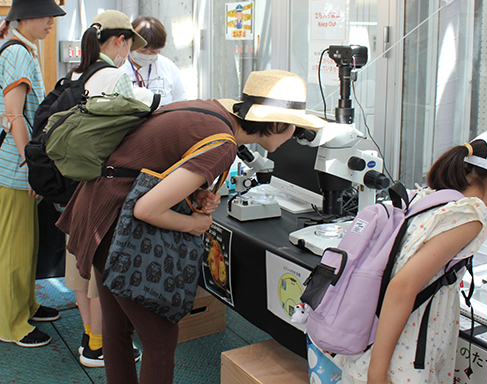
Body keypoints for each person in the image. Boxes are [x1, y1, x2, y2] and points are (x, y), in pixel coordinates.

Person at [56, 69, 326, 383]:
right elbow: (146, 209)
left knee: (117, 330)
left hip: (98, 209)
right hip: (118, 224)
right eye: (295, 126)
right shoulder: (223, 145)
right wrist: (193, 223)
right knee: (159, 341)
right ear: (277, 123)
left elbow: (151, 161)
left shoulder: (211, 112)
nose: (295, 135)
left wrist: (195, 191)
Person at [336, 128, 487, 384]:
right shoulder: (471, 215)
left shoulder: (431, 197)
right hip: (399, 360)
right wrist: (377, 375)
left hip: (369, 340)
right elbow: (403, 287)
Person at [62, 9, 146, 367]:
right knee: (99, 271)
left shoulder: (77, 72)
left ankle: (87, 336)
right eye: (129, 44)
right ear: (120, 40)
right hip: (106, 184)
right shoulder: (114, 76)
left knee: (77, 263)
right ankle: (97, 347)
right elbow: (131, 134)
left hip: (73, 182)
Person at [0, 0, 65, 348]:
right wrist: (32, 166)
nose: (51, 22)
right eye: (45, 15)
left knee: (27, 242)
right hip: (13, 167)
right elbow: (15, 116)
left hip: (13, 164)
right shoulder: (20, 53)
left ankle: (26, 305)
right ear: (24, 16)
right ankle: (11, 323)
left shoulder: (19, 47)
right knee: (15, 246)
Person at [119, 15, 187, 106]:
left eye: (153, 51)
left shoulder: (168, 67)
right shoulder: (118, 67)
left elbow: (181, 100)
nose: (147, 54)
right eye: (142, 50)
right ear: (130, 43)